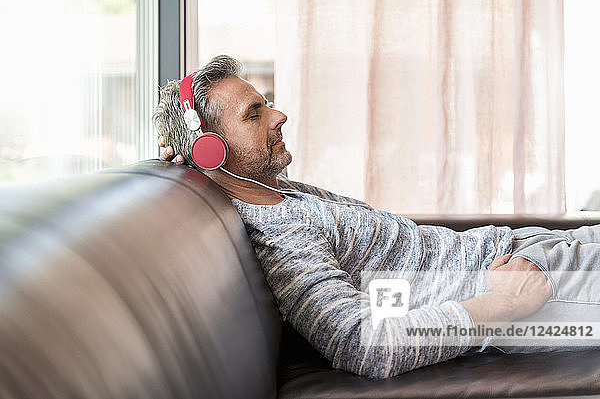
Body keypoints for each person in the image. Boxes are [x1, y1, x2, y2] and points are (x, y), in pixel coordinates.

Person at [152, 55, 600, 379]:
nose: (279, 115)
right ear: (209, 149)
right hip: (528, 290)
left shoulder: (279, 192)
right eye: (255, 114)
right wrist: (498, 306)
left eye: (266, 103)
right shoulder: (280, 238)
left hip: (524, 252)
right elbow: (362, 345)